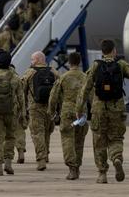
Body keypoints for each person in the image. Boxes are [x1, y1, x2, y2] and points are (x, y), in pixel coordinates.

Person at [76, 39, 129, 184]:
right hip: (116, 109)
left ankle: (102, 174)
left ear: (102, 51)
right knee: (116, 138)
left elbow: (84, 89)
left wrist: (79, 109)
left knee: (99, 141)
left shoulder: (95, 66)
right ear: (114, 51)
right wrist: (127, 69)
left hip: (98, 109)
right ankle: (116, 158)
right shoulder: (120, 64)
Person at [48, 52, 89, 180]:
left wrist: (52, 112)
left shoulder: (63, 77)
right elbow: (93, 96)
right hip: (81, 114)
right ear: (80, 62)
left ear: (69, 63)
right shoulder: (85, 78)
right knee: (79, 141)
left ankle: (72, 169)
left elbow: (53, 97)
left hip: (67, 113)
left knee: (67, 140)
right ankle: (77, 168)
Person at [22, 51, 59, 171]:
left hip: (35, 108)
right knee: (47, 132)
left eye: (32, 60)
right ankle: (46, 154)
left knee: (38, 134)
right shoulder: (54, 72)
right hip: (49, 108)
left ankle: (41, 159)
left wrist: (23, 107)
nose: (31, 62)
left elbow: (22, 90)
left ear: (38, 60)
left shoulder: (30, 72)